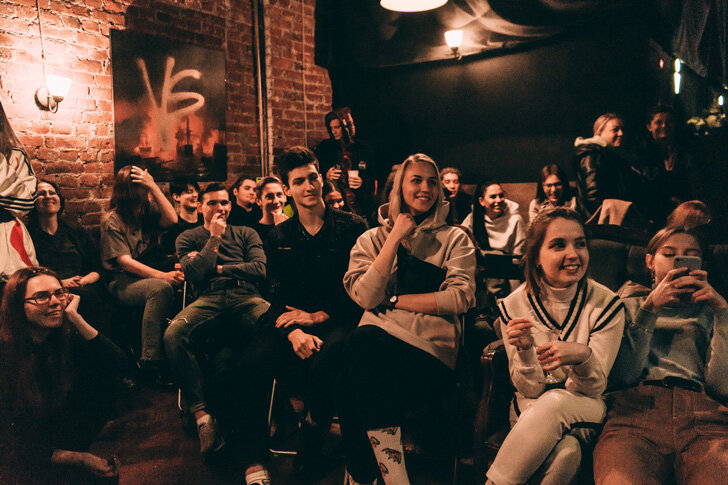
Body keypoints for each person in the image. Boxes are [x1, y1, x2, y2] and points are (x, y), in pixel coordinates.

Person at [234, 147, 367, 484]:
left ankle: (312, 433)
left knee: (326, 362)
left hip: (339, 317)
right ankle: (253, 459)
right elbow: (274, 293)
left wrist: (319, 316)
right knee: (250, 365)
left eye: (313, 177)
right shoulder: (279, 236)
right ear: (288, 190)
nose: (308, 186)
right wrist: (293, 330)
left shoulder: (352, 226)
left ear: (321, 178)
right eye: (299, 182)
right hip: (289, 320)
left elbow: (363, 289)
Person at [340, 153, 476, 484]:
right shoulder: (371, 239)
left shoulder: (455, 238)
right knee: (348, 382)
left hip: (431, 350)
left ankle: (362, 476)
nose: (426, 188)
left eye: (433, 181)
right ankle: (392, 477)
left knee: (356, 352)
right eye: (416, 180)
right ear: (400, 186)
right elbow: (367, 296)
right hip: (377, 350)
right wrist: (393, 238)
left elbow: (460, 297)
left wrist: (398, 300)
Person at [485, 207, 625, 485]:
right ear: (536, 255)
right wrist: (525, 352)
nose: (573, 254)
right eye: (558, 245)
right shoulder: (513, 305)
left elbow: (593, 388)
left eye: (580, 244)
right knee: (567, 455)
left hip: (585, 406)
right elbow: (530, 389)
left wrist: (582, 357)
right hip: (531, 409)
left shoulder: (607, 304)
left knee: (556, 402)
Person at [593, 226, 728, 484]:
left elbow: (722, 385)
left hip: (704, 416)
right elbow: (623, 375)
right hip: (636, 412)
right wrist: (650, 309)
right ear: (649, 262)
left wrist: (722, 312)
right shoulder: (627, 305)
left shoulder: (714, 311)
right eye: (669, 254)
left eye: (691, 255)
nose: (679, 261)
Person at [164, 182, 270, 456]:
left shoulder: (247, 232)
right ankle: (202, 418)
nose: (220, 208)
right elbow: (197, 275)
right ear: (200, 206)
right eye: (212, 203)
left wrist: (220, 267)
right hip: (208, 298)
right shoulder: (187, 237)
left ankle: (279, 408)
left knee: (277, 326)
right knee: (173, 334)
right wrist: (213, 238)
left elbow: (259, 270)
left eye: (224, 203)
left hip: (246, 295)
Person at [0, 267, 125, 483]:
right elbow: (9, 442)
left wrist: (75, 317)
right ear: (18, 307)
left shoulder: (60, 338)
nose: (56, 301)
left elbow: (120, 365)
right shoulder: (5, 354)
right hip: (24, 458)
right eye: (41, 296)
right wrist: (76, 458)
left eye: (59, 293)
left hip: (54, 442)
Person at [100, 165, 182, 383]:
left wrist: (153, 185)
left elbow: (172, 219)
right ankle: (150, 361)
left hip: (143, 274)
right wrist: (162, 276)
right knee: (161, 288)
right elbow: (125, 262)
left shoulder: (145, 212)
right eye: (141, 188)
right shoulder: (113, 220)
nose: (144, 193)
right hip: (121, 281)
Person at [27, 180, 114, 336]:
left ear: (60, 201)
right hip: (48, 291)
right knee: (84, 297)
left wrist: (84, 280)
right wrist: (61, 284)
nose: (48, 197)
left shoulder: (75, 231)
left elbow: (98, 268)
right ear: (33, 203)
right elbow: (28, 272)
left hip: (84, 286)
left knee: (91, 296)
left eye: (52, 192)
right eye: (41, 194)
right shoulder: (28, 235)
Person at [573, 113, 644, 221]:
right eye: (615, 130)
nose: (621, 133)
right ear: (599, 132)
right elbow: (593, 197)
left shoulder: (609, 155)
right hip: (602, 225)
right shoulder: (593, 155)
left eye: (622, 129)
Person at [640, 105, 693, 223]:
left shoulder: (683, 152)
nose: (664, 126)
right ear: (649, 126)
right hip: (654, 213)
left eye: (669, 121)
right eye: (658, 122)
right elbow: (645, 185)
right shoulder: (642, 153)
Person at [463, 180, 526, 257]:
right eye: (493, 197)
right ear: (481, 201)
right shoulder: (474, 217)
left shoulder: (515, 219)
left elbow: (519, 253)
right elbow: (463, 241)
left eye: (501, 196)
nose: (498, 200)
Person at [161, 178, 203, 256]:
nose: (195, 195)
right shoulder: (173, 229)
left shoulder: (206, 221)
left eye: (196, 191)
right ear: (176, 197)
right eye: (189, 192)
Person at [250, 176, 289, 242]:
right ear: (259, 201)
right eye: (269, 196)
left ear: (285, 197)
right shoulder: (253, 232)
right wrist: (279, 229)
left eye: (279, 195)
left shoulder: (295, 227)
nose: (276, 201)